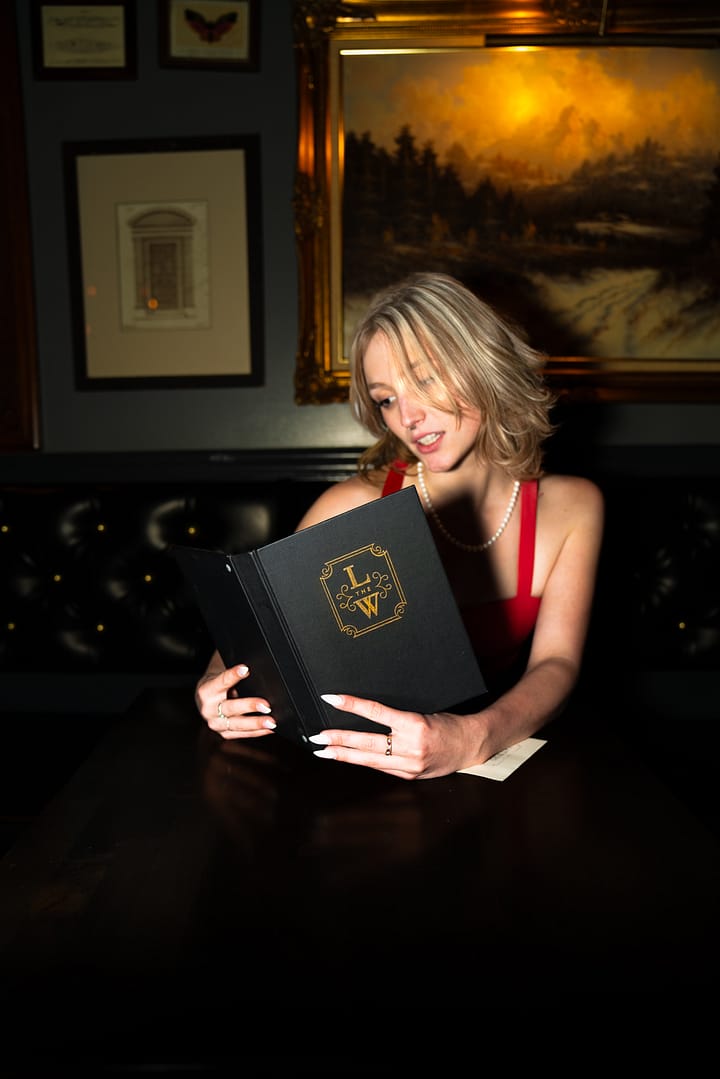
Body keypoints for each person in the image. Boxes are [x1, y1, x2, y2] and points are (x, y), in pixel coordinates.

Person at [195, 272, 604, 780]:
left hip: (490, 760)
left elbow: (557, 664)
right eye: (386, 398)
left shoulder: (573, 506)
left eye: (426, 381)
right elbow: (257, 622)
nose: (407, 417)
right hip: (352, 769)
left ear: (483, 365)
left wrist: (471, 739)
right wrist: (216, 685)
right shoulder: (350, 504)